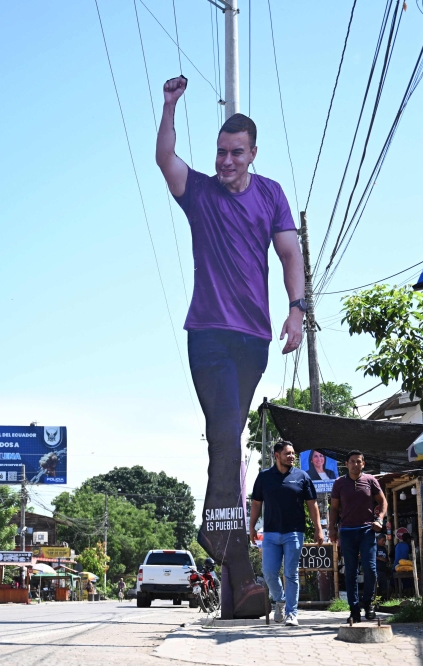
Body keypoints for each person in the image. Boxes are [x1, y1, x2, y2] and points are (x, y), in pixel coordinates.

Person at [156, 75, 305, 619]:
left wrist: (297, 308)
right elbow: (165, 158)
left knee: (228, 437)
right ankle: (234, 564)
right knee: (224, 433)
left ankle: (229, 559)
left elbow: (290, 253)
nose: (226, 161)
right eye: (220, 152)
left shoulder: (270, 194)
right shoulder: (200, 192)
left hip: (254, 339)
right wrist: (170, 106)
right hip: (209, 337)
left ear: (252, 153)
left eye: (235, 152)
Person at [248, 440, 323, 626]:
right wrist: (251, 527)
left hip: (294, 533)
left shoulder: (302, 476)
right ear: (277, 455)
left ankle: (292, 613)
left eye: (293, 453)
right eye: (288, 453)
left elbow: (312, 503)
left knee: (291, 573)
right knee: (269, 572)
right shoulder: (264, 477)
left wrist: (318, 528)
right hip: (271, 533)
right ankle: (280, 600)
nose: (292, 456)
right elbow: (256, 503)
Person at [329, 450, 388, 623]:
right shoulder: (339, 483)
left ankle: (368, 604)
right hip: (347, 532)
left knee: (370, 569)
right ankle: (354, 609)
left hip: (367, 531)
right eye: (352, 461)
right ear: (346, 464)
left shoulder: (371, 481)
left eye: (359, 461)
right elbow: (334, 508)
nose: (355, 464)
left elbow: (383, 501)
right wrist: (332, 529)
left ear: (363, 464)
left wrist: (379, 519)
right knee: (351, 572)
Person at [375, 534, 392, 600]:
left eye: (385, 541)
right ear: (378, 540)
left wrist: (388, 561)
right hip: (377, 570)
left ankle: (383, 601)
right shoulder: (374, 547)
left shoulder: (384, 548)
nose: (384, 542)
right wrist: (379, 558)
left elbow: (386, 558)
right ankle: (376, 601)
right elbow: (370, 557)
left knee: (384, 588)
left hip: (383, 571)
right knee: (377, 588)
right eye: (382, 541)